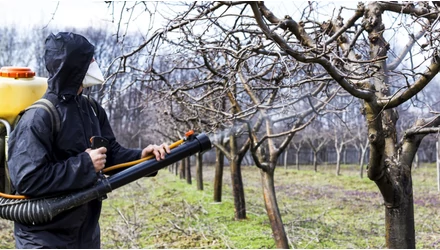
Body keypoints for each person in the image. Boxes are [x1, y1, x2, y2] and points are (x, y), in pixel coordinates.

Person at [7, 32, 170, 248]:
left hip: (86, 234)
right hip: (43, 239)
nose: (94, 64)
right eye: (89, 60)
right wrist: (85, 164)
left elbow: (110, 156)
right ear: (73, 66)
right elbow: (28, 179)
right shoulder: (39, 117)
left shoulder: (92, 109)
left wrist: (142, 157)